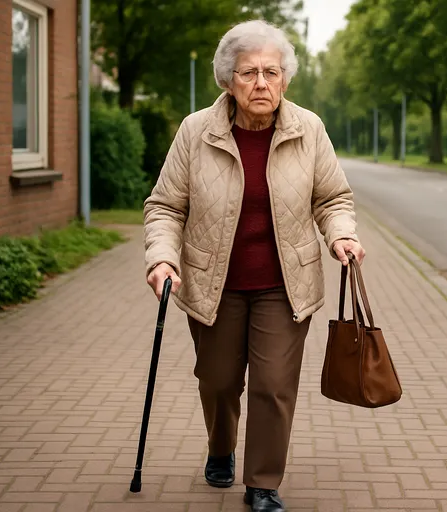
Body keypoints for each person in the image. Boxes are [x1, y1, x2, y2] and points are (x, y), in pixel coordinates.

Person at [142, 19, 366, 512]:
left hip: (284, 285)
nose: (261, 83)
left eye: (271, 72)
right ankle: (220, 447)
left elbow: (332, 197)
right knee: (218, 381)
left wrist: (342, 234)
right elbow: (165, 206)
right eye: (248, 73)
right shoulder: (196, 131)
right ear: (228, 80)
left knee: (273, 386)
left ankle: (262, 483)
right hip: (214, 284)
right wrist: (161, 258)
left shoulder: (309, 129)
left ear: (285, 78)